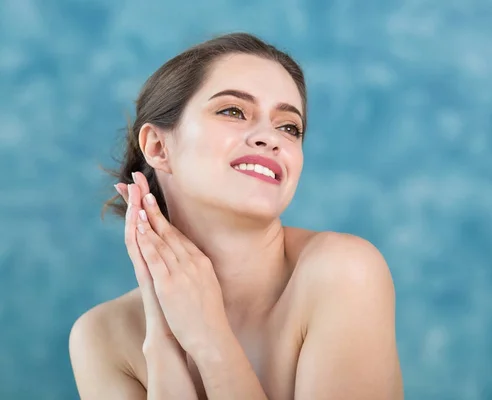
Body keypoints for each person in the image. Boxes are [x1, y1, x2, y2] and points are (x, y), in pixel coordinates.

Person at [68, 32, 404, 399]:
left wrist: (210, 340)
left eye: (288, 127)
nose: (270, 137)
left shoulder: (342, 272)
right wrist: (163, 346)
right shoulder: (101, 335)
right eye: (233, 111)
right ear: (158, 146)